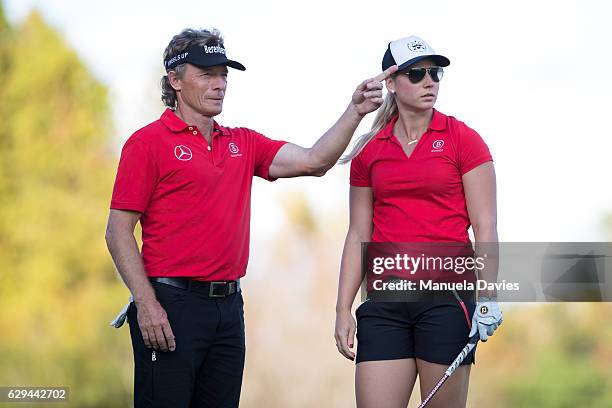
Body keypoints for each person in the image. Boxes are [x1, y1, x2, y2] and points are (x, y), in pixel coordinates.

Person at [105, 28, 396, 408]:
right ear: (175, 80)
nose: (220, 83)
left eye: (223, 73)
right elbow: (118, 232)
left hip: (228, 309)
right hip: (170, 305)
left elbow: (315, 161)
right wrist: (146, 302)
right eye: (206, 73)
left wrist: (355, 110)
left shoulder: (242, 143)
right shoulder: (147, 143)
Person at [334, 35, 503, 408]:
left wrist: (488, 297)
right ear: (390, 83)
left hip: (447, 300)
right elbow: (358, 232)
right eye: (416, 74)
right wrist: (342, 308)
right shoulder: (370, 150)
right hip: (384, 303)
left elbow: (485, 228)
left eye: (435, 72)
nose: (430, 81)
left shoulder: (464, 140)